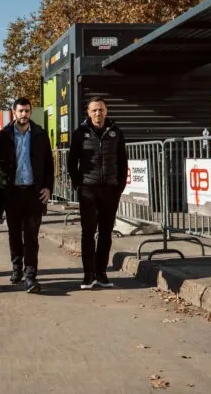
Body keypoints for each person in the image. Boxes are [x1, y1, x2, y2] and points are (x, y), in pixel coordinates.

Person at [0, 98, 54, 294]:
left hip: (34, 193)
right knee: (15, 234)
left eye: (27, 111)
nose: (24, 114)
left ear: (30, 112)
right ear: (14, 112)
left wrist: (48, 188)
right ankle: (17, 268)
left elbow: (49, 165)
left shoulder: (40, 135)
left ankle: (31, 274)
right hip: (12, 193)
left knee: (32, 236)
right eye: (20, 111)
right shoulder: (2, 137)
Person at [67, 97, 128, 290]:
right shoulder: (80, 133)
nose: (97, 114)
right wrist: (78, 184)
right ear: (88, 112)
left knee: (105, 233)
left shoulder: (116, 132)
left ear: (106, 111)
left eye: (100, 110)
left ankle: (101, 273)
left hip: (110, 189)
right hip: (88, 189)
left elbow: (123, 161)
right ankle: (88, 274)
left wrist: (119, 186)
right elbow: (71, 161)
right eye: (94, 110)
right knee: (88, 232)